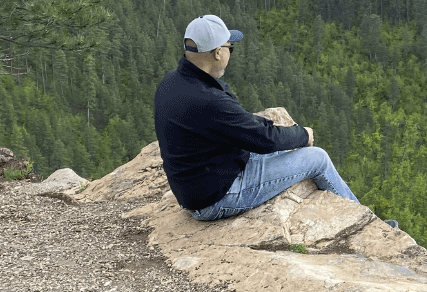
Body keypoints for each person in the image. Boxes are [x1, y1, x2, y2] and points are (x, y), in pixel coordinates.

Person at [154, 14, 359, 221]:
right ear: (217, 53)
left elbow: (243, 126)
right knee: (318, 159)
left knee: (288, 146)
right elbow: (264, 139)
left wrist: (277, 134)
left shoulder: (171, 82)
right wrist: (303, 135)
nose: (230, 53)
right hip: (216, 197)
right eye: (230, 47)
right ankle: (358, 217)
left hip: (206, 180)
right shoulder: (208, 99)